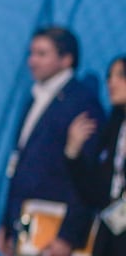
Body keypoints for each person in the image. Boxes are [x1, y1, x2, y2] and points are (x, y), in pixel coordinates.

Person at [0, 25, 104, 256]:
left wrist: (67, 236)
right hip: (24, 226)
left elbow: (85, 175)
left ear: (66, 59)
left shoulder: (81, 104)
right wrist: (7, 222)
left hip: (54, 232)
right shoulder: (34, 99)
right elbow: (19, 165)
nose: (32, 61)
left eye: (42, 54)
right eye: (31, 53)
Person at [65, 54, 126, 255]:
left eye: (121, 75)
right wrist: (73, 154)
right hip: (111, 237)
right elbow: (94, 193)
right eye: (109, 76)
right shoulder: (112, 128)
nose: (111, 82)